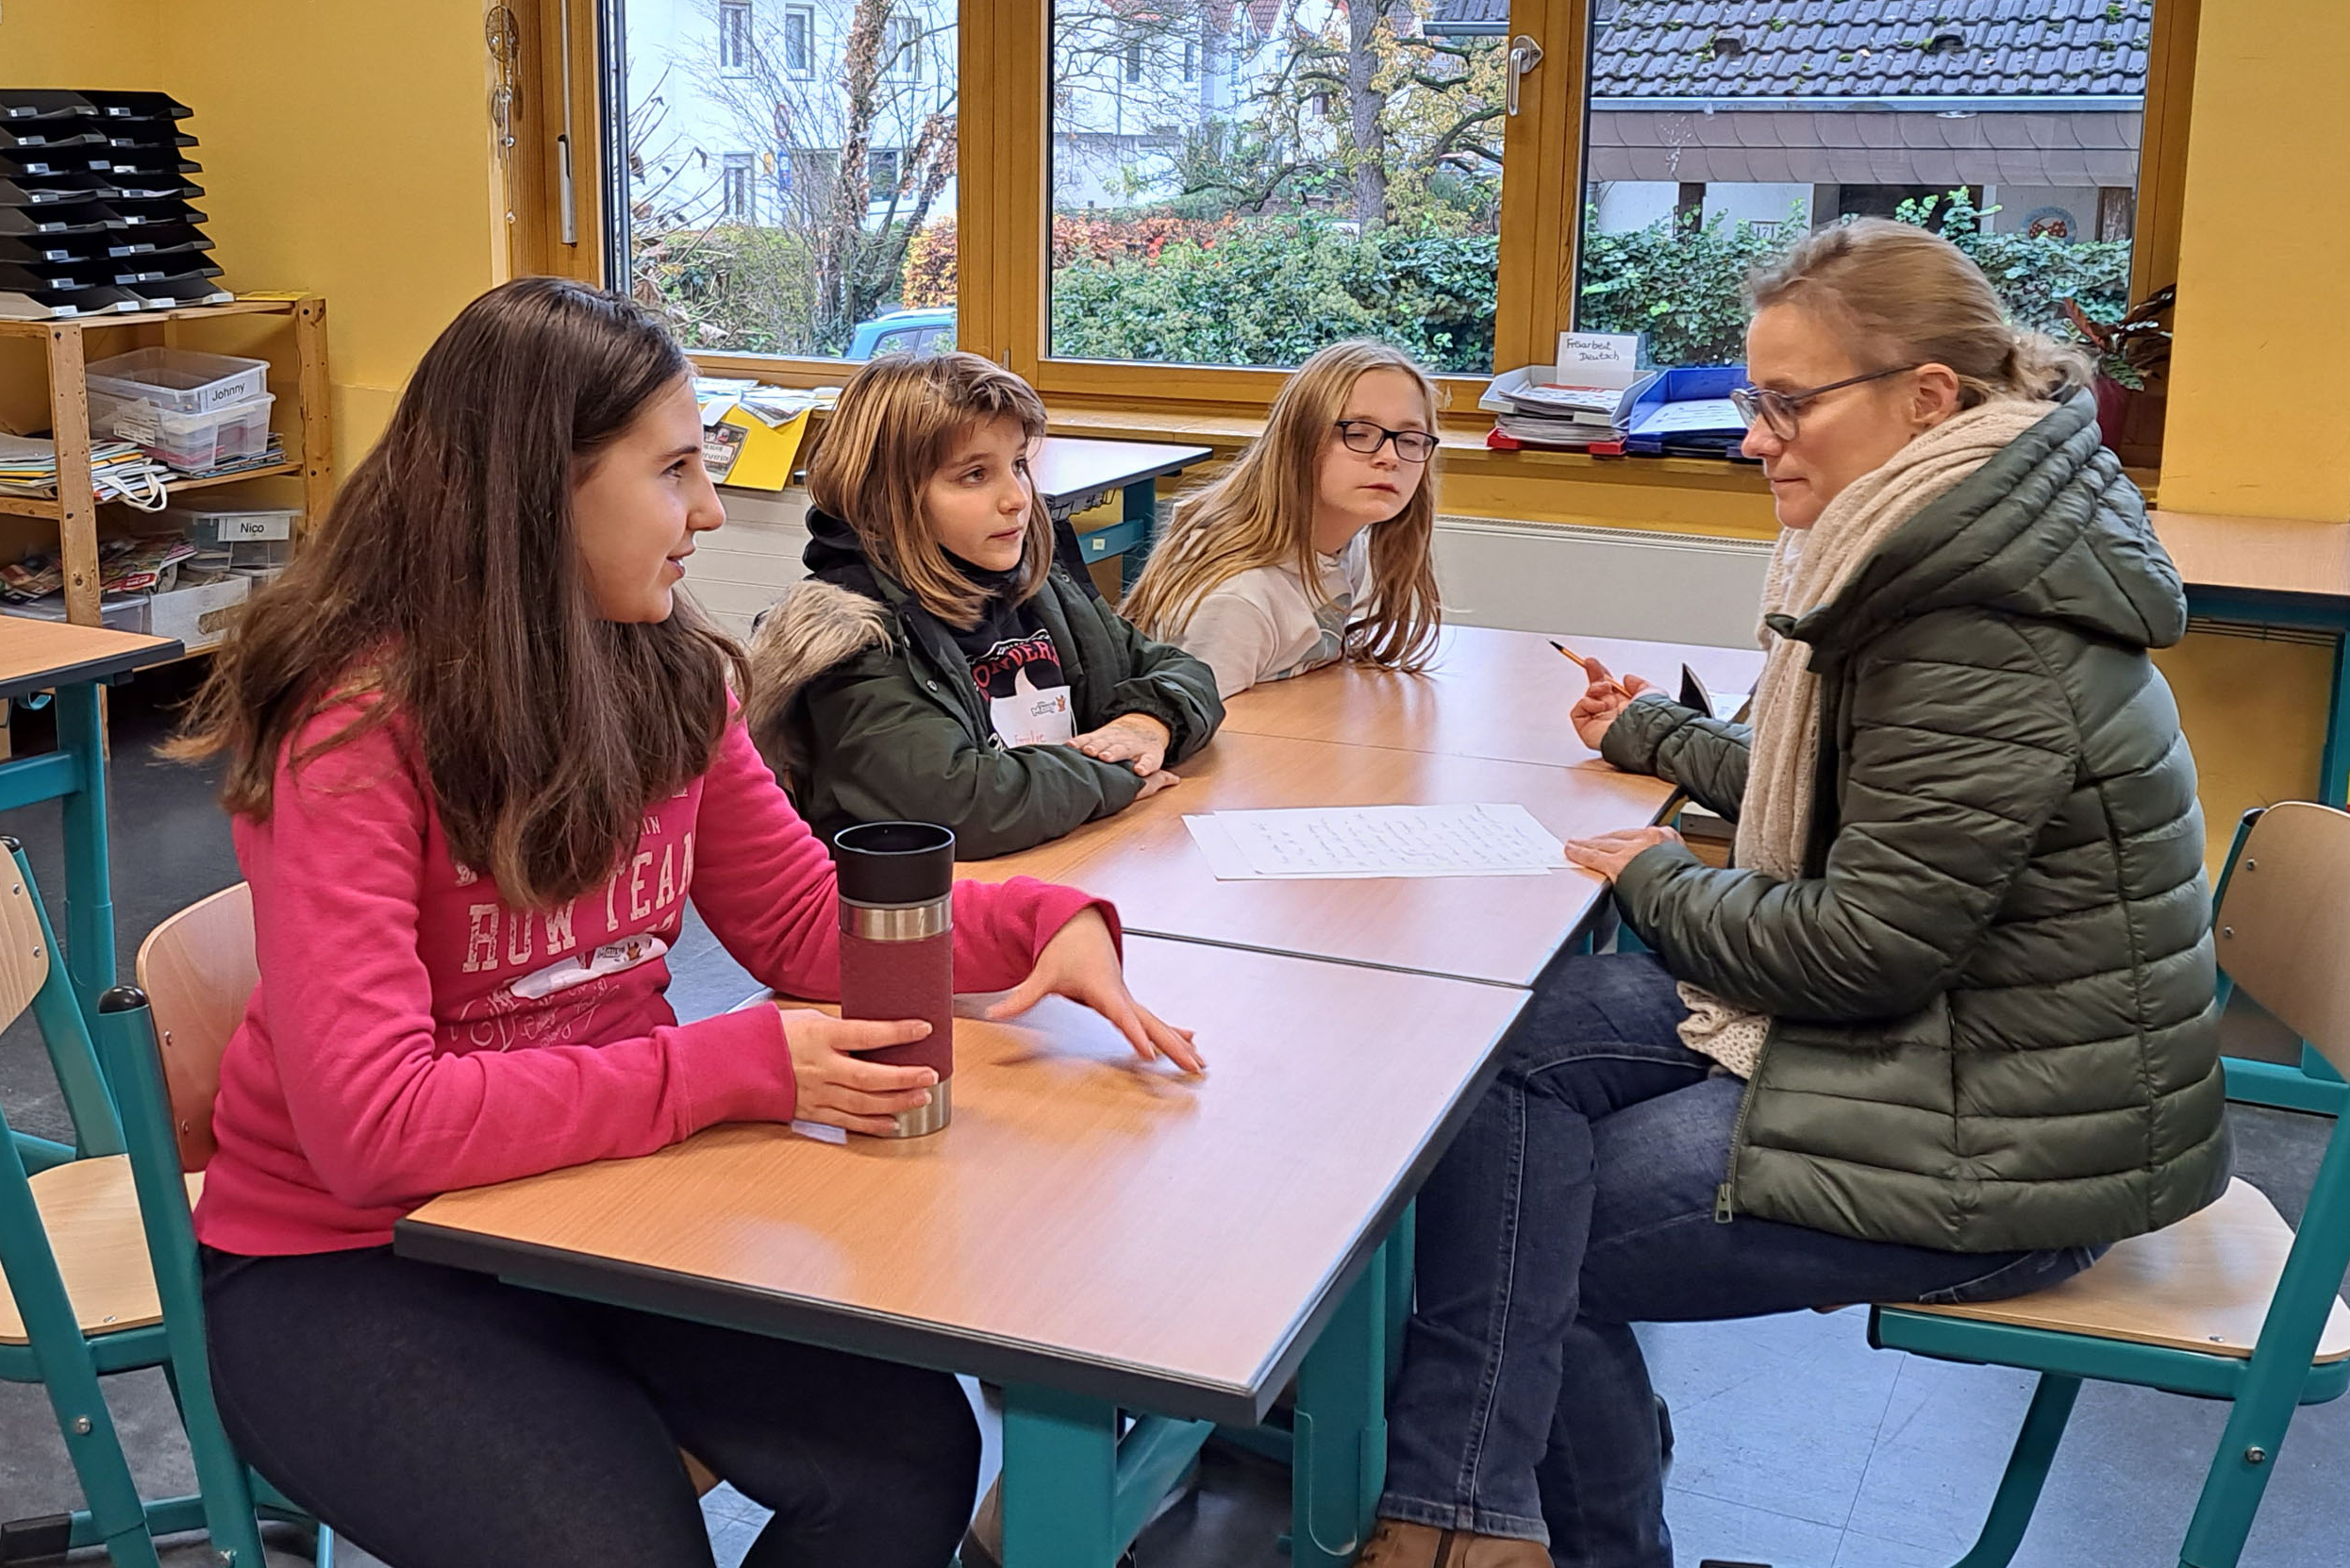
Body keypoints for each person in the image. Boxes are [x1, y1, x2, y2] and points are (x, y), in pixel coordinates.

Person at [177, 279, 1205, 1568]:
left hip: (592, 1201)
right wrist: (742, 1067)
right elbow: (377, 1131)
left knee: (911, 1460)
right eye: (674, 473)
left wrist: (1034, 925)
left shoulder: (664, 671)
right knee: (618, 1548)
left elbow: (793, 922)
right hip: (345, 1256)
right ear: (536, 491)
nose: (711, 512)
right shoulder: (354, 729)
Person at [1358, 221, 2227, 1568]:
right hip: (1981, 1050)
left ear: (1928, 398)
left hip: (2007, 1138)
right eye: (1750, 399)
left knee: (1533, 1243)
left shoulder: (1975, 622)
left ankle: (1518, 1531)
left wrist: (1654, 876)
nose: (1754, 436)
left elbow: (1861, 954)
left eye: (1786, 403)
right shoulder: (1969, 537)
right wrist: (1659, 737)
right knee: (1502, 1056)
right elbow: (1846, 790)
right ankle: (1473, 1511)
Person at [745, 349, 1224, 859]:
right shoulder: (852, 635)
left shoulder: (1038, 589)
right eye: (974, 475)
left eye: (1017, 464)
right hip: (926, 908)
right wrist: (1116, 770)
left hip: (1067, 856)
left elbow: (1180, 671)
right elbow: (958, 802)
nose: (1017, 497)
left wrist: (1146, 724)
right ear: (886, 496)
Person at [1125, 338, 1444, 696]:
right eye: (1358, 433)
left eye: (1411, 439)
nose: (1391, 456)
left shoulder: (1342, 546)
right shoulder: (1240, 600)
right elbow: (1189, 727)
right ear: (1300, 440)